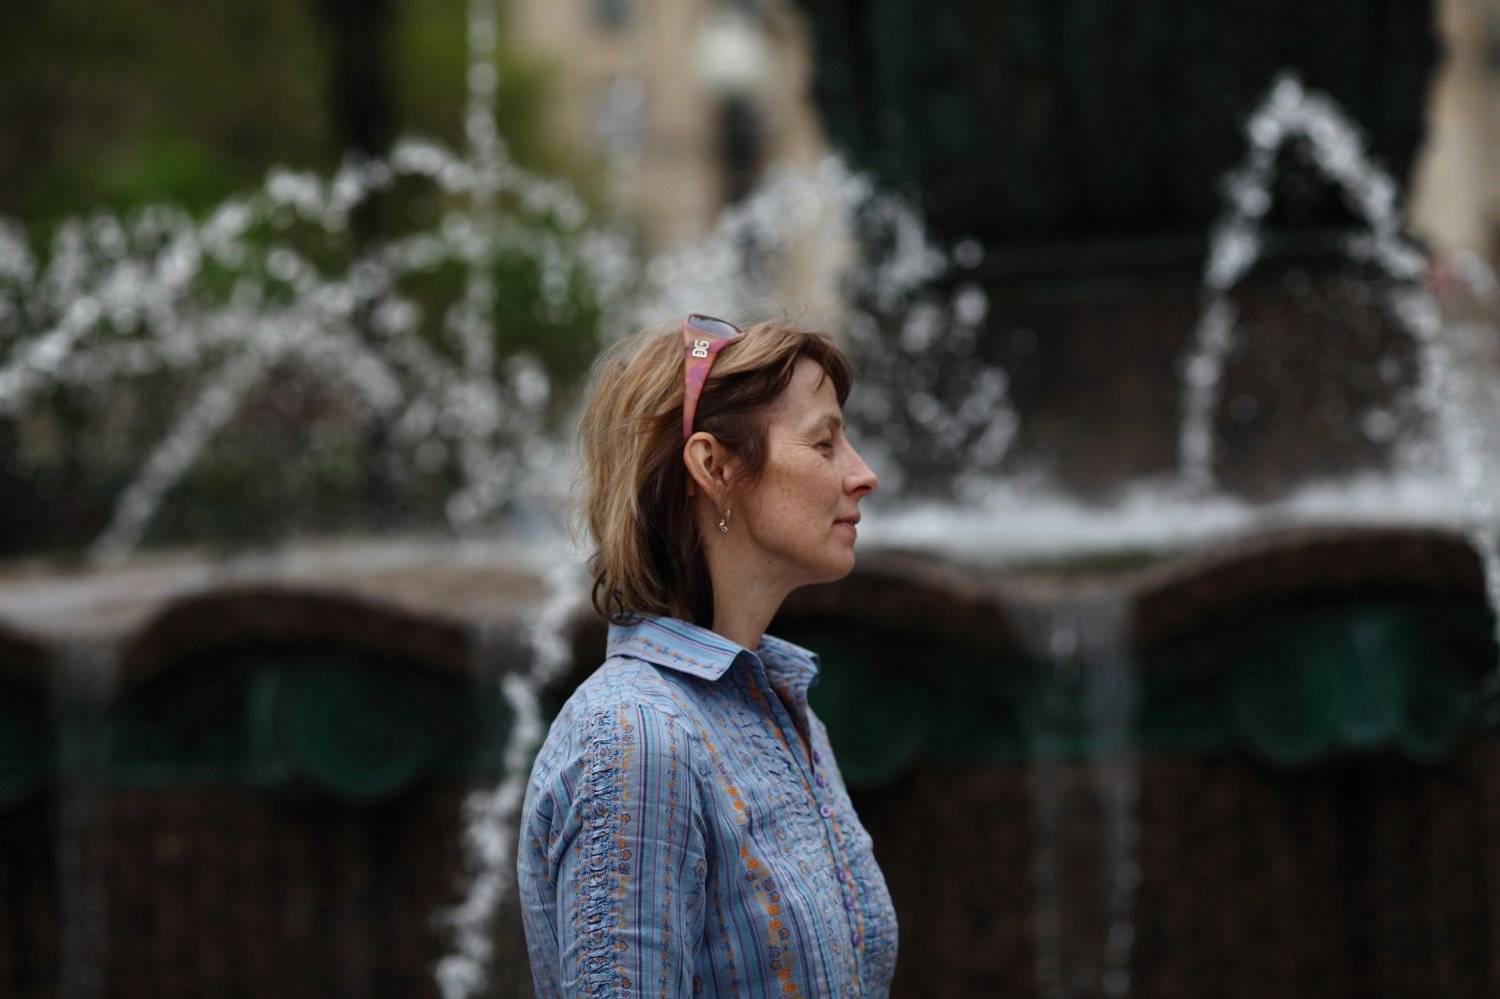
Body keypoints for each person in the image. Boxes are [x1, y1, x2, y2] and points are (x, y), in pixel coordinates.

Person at [516, 315, 898, 997]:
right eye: (824, 443)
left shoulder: (784, 710)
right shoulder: (637, 739)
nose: (863, 474)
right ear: (714, 466)